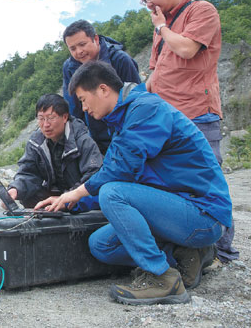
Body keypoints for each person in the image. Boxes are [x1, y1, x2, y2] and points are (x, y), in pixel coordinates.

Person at [36, 61, 232, 305]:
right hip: (177, 215)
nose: (84, 109)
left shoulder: (146, 109)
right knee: (100, 245)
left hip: (203, 215)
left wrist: (76, 193)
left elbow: (118, 173)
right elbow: (121, 176)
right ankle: (188, 254)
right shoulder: (124, 121)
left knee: (112, 193)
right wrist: (68, 203)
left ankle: (162, 278)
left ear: (103, 90)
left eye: (84, 100)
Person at [135, 0, 238, 264]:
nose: (148, 5)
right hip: (167, 118)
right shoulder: (162, 26)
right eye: (143, 1)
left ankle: (222, 251)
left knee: (208, 182)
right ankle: (192, 249)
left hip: (197, 113)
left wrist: (161, 28)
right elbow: (155, 74)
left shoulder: (201, 11)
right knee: (174, 181)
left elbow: (188, 50)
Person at [7, 94, 102, 210]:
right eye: (41, 118)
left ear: (65, 117)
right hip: (53, 195)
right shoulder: (36, 142)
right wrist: (15, 189)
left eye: (51, 118)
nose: (46, 125)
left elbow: (94, 174)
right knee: (27, 195)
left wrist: (67, 197)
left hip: (76, 196)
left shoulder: (82, 140)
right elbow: (28, 172)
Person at [62, 20, 140, 154]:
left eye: (82, 44)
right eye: (73, 48)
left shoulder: (120, 60)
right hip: (95, 138)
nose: (79, 52)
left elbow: (136, 99)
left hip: (127, 134)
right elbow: (74, 108)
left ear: (95, 39)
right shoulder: (69, 68)